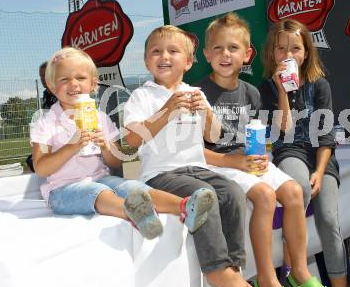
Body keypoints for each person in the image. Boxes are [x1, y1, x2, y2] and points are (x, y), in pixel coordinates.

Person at [199, 12, 339, 287]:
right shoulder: (199, 93)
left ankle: (299, 272)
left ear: (247, 54)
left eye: (234, 48)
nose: (226, 55)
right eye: (219, 48)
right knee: (264, 195)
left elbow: (279, 131)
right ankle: (267, 280)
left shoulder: (251, 91)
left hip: (247, 161)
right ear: (206, 53)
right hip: (218, 164)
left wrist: (260, 154)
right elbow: (192, 153)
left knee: (292, 191)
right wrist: (237, 162)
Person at [123, 25, 256, 287]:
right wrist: (167, 110)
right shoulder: (142, 96)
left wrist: (206, 112)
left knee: (232, 192)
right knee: (203, 196)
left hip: (197, 168)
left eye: (173, 51)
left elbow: (214, 136)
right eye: (156, 52)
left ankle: (233, 264)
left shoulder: (195, 92)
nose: (164, 57)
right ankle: (215, 268)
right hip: (160, 174)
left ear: (188, 61)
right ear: (147, 61)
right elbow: (133, 140)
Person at [30, 47, 215, 240]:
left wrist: (105, 147)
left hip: (100, 178)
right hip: (62, 190)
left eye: (81, 78)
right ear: (52, 86)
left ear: (93, 84)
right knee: (97, 191)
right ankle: (135, 214)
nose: (73, 84)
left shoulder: (100, 118)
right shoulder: (45, 122)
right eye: (64, 79)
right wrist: (72, 146)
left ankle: (186, 206)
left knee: (134, 188)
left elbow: (115, 163)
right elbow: (41, 168)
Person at [258, 19, 348, 287]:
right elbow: (282, 132)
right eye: (281, 48)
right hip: (289, 151)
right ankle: (294, 278)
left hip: (320, 157)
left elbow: (326, 138)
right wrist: (283, 90)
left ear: (306, 52)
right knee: (298, 189)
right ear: (272, 53)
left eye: (295, 48)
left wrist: (321, 173)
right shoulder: (266, 87)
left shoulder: (320, 85)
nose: (288, 55)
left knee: (329, 220)